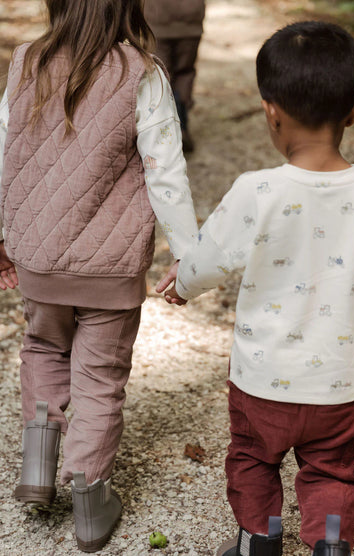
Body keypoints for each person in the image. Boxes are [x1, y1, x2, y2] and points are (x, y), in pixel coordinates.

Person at [156, 21, 354, 556]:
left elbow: (210, 255)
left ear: (270, 112)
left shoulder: (257, 190)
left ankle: (260, 540)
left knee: (252, 457)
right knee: (334, 470)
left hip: (263, 381)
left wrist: (183, 283)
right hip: (342, 383)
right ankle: (331, 544)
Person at [0, 0, 197, 552]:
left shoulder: (25, 62)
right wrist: (188, 253)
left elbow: (3, 154)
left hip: (39, 259)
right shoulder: (143, 73)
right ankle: (89, 494)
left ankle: (38, 469)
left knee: (42, 348)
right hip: (109, 267)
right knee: (101, 376)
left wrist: (1, 234)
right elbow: (166, 172)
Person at [144, 0, 205, 152]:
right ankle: (181, 124)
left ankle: (164, 131)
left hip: (158, 18)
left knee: (160, 75)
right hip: (191, 19)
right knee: (184, 72)